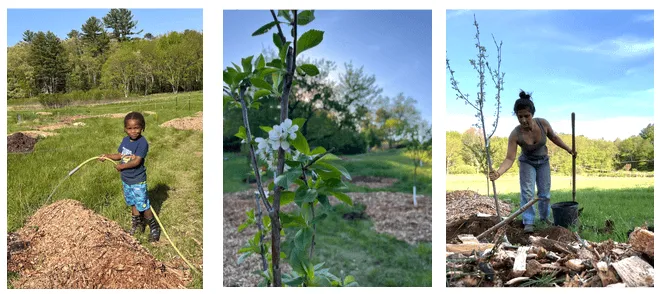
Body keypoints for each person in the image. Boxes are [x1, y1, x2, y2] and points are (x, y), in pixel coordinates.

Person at [489, 90, 577, 233]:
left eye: (527, 116)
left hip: (543, 162)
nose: (523, 120)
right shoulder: (515, 134)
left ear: (532, 114)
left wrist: (569, 149)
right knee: (528, 192)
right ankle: (528, 221)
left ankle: (544, 218)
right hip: (527, 162)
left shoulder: (543, 124)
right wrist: (498, 173)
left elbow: (554, 137)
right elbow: (509, 158)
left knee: (544, 193)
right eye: (520, 117)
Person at [99, 112, 160, 242]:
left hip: (137, 179)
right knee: (132, 202)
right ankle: (137, 224)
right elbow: (120, 155)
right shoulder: (125, 140)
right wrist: (107, 156)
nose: (133, 131)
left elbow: (137, 161)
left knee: (143, 204)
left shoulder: (142, 143)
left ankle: (154, 228)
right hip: (126, 180)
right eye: (130, 128)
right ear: (125, 129)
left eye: (136, 127)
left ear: (142, 127)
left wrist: (122, 167)